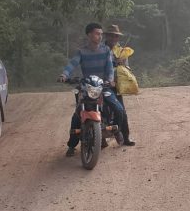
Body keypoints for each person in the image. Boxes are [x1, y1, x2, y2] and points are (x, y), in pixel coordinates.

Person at [57, 23, 135, 157]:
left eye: (100, 34)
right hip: (86, 87)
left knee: (119, 109)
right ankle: (71, 145)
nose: (99, 36)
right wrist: (64, 74)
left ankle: (116, 131)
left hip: (104, 86)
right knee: (77, 115)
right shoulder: (81, 52)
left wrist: (110, 79)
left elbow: (109, 68)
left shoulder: (106, 50)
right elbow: (72, 64)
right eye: (97, 34)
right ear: (89, 35)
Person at [105, 24, 134, 144]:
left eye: (116, 36)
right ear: (107, 36)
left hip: (116, 84)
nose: (113, 38)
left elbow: (127, 68)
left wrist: (122, 64)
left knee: (121, 111)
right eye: (111, 35)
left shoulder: (122, 51)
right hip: (102, 83)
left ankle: (125, 137)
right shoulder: (100, 49)